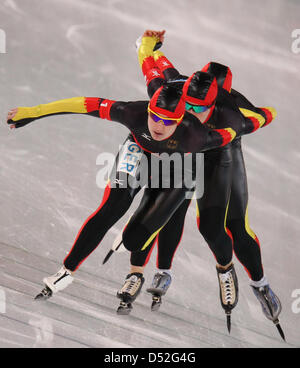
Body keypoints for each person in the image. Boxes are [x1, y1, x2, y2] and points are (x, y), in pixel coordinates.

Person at [7, 77, 244, 301]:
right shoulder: (133, 113)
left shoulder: (197, 136)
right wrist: (34, 113)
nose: (159, 126)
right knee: (111, 209)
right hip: (138, 151)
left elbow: (230, 134)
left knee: (138, 234)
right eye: (156, 117)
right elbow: (82, 104)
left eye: (168, 121)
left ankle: (139, 245)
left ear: (180, 119)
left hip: (177, 164)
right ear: (149, 110)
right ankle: (66, 271)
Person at [114, 30, 283, 338]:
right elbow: (155, 66)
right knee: (162, 205)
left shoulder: (231, 114)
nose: (189, 112)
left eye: (198, 107)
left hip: (221, 156)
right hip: (188, 150)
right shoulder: (176, 88)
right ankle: (148, 271)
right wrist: (148, 44)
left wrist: (263, 116)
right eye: (186, 104)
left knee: (224, 226)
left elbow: (261, 117)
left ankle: (256, 282)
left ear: (214, 101)